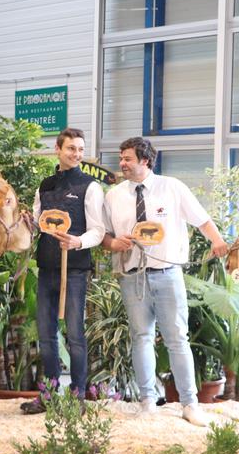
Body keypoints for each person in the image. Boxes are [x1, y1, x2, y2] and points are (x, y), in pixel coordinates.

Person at [101, 137, 228, 426]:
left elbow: (201, 219)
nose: (122, 163)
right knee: (141, 337)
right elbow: (105, 236)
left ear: (145, 160)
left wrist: (218, 241)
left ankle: (190, 403)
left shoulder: (172, 187)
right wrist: (113, 244)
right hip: (132, 276)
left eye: (128, 158)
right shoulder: (114, 195)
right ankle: (148, 401)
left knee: (177, 339)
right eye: (121, 158)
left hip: (168, 274)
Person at [21, 128, 105, 414]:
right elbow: (36, 223)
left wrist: (78, 241)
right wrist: (27, 224)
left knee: (75, 336)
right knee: (45, 336)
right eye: (71, 148)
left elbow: (99, 230)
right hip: (46, 269)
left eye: (80, 149)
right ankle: (47, 394)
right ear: (58, 149)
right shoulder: (44, 185)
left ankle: (78, 396)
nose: (77, 154)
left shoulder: (90, 186)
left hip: (76, 271)